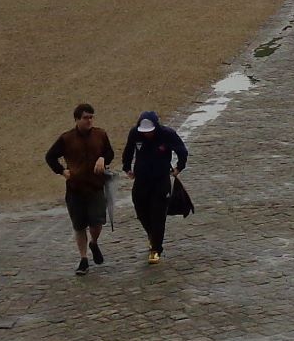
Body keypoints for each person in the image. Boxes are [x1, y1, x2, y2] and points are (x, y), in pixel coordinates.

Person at [43, 101, 116, 274]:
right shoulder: (66, 138)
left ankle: (94, 243)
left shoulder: (100, 134)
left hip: (96, 187)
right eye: (85, 118)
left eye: (91, 117)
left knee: (97, 223)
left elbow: (109, 152)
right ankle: (83, 259)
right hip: (75, 189)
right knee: (79, 225)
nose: (89, 121)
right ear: (77, 119)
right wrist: (62, 171)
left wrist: (103, 159)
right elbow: (50, 156)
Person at [122, 109, 189, 263]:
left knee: (158, 215)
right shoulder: (135, 134)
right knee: (141, 210)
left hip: (161, 181)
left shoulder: (168, 134)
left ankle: (156, 248)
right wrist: (127, 168)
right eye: (145, 132)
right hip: (141, 180)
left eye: (150, 132)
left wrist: (179, 167)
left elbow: (182, 151)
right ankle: (152, 236)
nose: (147, 135)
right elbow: (128, 150)